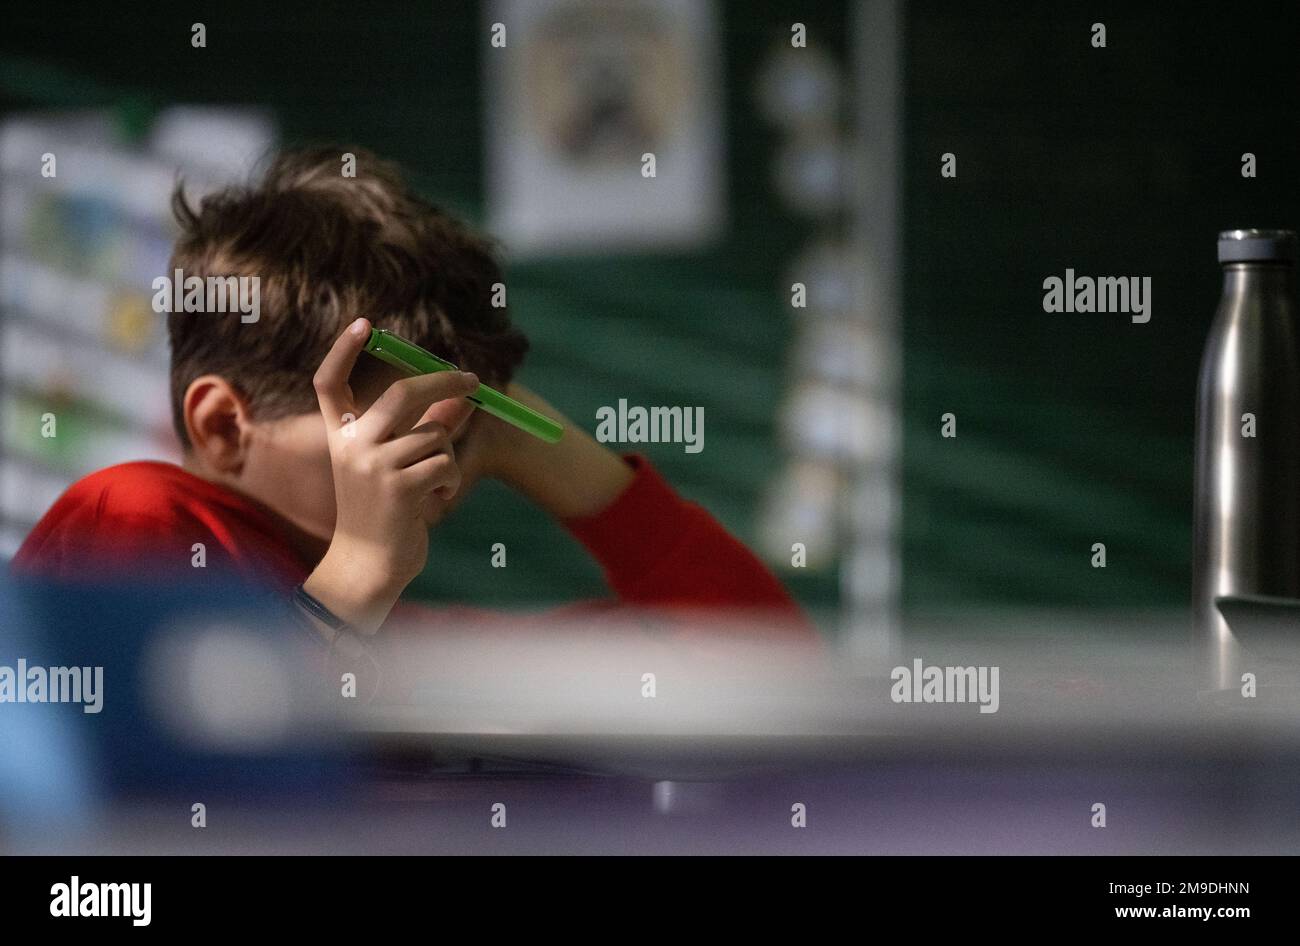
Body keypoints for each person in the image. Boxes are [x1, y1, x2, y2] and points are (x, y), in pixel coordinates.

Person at [12, 147, 815, 646]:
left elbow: (765, 668)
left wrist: (525, 434)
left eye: (455, 441)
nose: (440, 480)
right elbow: (172, 773)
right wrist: (357, 575)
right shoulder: (133, 514)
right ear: (224, 426)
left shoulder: (403, 647)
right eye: (398, 436)